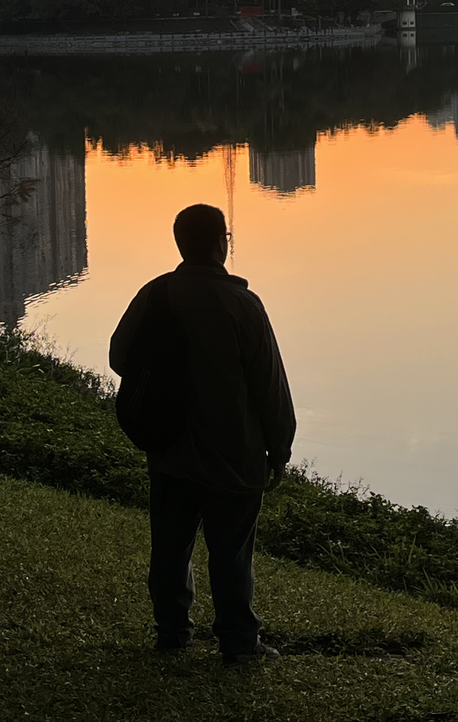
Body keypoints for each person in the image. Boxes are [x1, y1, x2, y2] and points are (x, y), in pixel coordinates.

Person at [110, 203, 295, 667]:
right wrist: (280, 448)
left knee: (170, 547)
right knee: (231, 554)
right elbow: (269, 385)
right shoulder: (242, 305)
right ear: (221, 244)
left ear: (180, 244)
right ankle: (238, 642)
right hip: (234, 454)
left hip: (169, 449)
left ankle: (172, 632)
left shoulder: (156, 294)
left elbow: (119, 357)